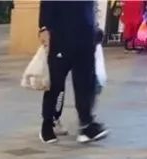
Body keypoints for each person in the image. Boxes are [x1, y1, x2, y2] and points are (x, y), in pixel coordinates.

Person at [38, 0, 108, 144]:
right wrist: (44, 28)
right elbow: (46, 7)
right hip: (61, 39)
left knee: (85, 83)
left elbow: (91, 9)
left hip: (86, 39)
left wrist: (94, 29)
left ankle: (86, 125)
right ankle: (47, 124)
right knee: (56, 84)